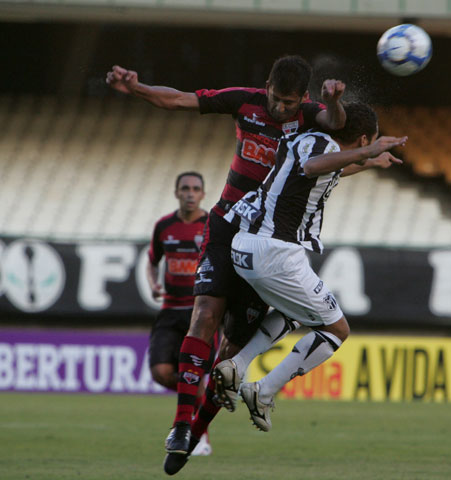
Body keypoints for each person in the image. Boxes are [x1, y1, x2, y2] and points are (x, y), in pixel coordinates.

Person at [106, 55, 346, 475]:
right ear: (266, 85)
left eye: (291, 103)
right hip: (225, 225)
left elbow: (339, 126)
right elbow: (180, 100)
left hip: (267, 240)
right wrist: (139, 89)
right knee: (204, 315)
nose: (282, 109)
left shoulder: (311, 117)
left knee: (231, 355)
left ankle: (198, 431)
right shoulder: (244, 101)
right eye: (276, 98)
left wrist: (336, 104)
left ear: (303, 98)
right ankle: (181, 427)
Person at [216, 102, 406, 432]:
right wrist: (372, 151)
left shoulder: (305, 138)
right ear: (362, 139)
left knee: (295, 313)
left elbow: (324, 169)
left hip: (245, 246)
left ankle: (238, 364)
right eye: (368, 143)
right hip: (276, 253)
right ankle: (263, 390)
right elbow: (316, 164)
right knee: (336, 330)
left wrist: (369, 161)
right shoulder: (323, 148)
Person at [146, 171, 212, 456]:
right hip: (170, 310)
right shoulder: (164, 226)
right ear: (176, 192)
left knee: (192, 374)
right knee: (161, 373)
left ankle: (200, 438)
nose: (189, 193)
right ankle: (199, 396)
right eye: (184, 188)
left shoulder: (212, 224)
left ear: (202, 194)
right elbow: (151, 261)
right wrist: (153, 284)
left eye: (195, 189)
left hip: (201, 312)